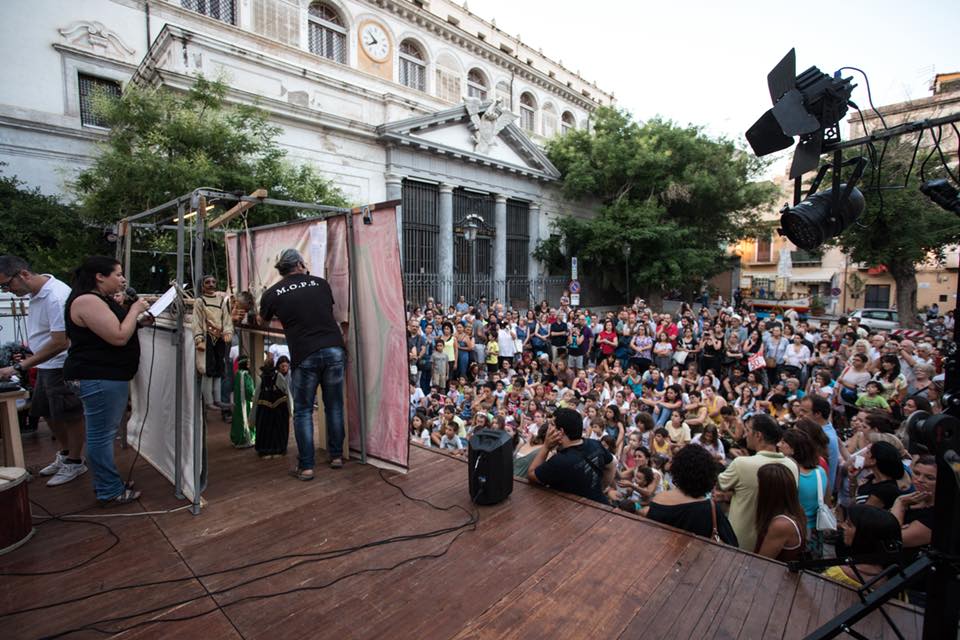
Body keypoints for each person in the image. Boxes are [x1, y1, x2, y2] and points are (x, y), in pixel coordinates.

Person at [63, 256, 151, 505]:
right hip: (99, 377)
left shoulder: (96, 300)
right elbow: (118, 336)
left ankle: (108, 483)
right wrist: (135, 310)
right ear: (100, 276)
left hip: (103, 376)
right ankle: (109, 490)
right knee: (101, 435)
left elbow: (114, 329)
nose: (122, 280)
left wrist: (136, 318)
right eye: (118, 274)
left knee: (101, 433)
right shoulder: (87, 301)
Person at [258, 249, 347, 479]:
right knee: (334, 405)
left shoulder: (272, 293)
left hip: (305, 354)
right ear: (299, 264)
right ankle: (336, 456)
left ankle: (306, 466)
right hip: (334, 348)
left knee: (304, 411)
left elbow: (262, 321)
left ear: (282, 269)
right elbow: (322, 311)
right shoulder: (320, 283)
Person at [0, 255, 87, 487]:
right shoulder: (36, 294)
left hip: (60, 364)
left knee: (70, 414)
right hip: (45, 364)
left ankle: (76, 461)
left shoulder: (56, 296)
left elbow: (61, 342)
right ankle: (66, 453)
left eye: (7, 284)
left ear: (24, 274)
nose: (7, 291)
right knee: (46, 411)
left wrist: (19, 366)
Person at [717, 413, 799, 551]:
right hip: (774, 543)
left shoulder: (742, 463)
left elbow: (721, 484)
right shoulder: (791, 465)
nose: (745, 435)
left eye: (748, 430)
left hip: (740, 540)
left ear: (758, 435)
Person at [646, 440, 738, 545]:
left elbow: (650, 536)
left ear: (677, 469)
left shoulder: (659, 500)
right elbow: (732, 544)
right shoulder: (710, 508)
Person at [528, 407, 616, 505]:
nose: (549, 427)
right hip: (600, 506)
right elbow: (611, 465)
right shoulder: (595, 444)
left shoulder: (559, 461)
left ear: (560, 431)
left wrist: (546, 447)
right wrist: (600, 488)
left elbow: (532, 475)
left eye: (552, 425)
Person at [191, 274, 234, 410]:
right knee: (207, 368)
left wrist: (228, 332)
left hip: (219, 337)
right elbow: (196, 321)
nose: (211, 284)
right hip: (207, 336)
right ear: (203, 286)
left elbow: (227, 319)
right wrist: (199, 338)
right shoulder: (200, 301)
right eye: (208, 282)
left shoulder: (221, 301)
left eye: (213, 282)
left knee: (219, 367)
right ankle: (208, 401)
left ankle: (218, 399)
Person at [754, 464, 807, 562]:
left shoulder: (781, 525)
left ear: (768, 492)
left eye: (759, 486)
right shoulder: (797, 510)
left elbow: (761, 563)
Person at [889, 454, 935, 549]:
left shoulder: (938, 515)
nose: (919, 480)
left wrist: (900, 503)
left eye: (929, 478)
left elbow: (893, 539)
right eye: (916, 473)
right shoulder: (911, 499)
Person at [251, 359, 290, 458]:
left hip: (264, 410)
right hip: (279, 410)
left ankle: (265, 451)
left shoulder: (260, 378)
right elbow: (287, 392)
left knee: (265, 430)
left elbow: (256, 397)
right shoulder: (279, 376)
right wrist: (290, 409)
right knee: (278, 429)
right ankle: (278, 450)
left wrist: (252, 415)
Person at [231, 356, 255, 448]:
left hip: (238, 402)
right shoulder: (245, 375)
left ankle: (237, 439)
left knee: (238, 420)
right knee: (245, 419)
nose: (249, 364)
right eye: (247, 362)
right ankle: (246, 439)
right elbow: (249, 390)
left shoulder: (237, 374)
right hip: (245, 403)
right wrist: (254, 397)